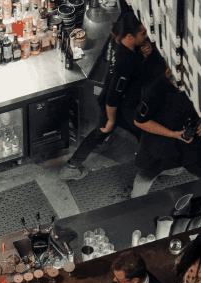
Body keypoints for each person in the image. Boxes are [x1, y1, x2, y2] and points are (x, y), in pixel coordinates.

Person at [60, 13, 160, 180]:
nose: (146, 37)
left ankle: (71, 167)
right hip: (126, 106)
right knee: (147, 137)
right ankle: (151, 170)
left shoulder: (118, 40)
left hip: (113, 100)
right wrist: (112, 118)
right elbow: (116, 92)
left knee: (101, 131)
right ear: (130, 36)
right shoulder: (127, 62)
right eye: (143, 34)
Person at [130, 60, 201, 198]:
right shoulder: (155, 89)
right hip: (159, 143)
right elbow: (140, 121)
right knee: (147, 174)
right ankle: (134, 201)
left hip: (189, 139)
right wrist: (173, 134)